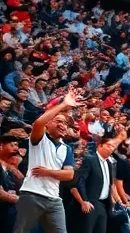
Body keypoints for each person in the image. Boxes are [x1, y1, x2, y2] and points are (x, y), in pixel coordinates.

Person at [14, 90, 79, 233]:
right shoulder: (39, 139)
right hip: (31, 194)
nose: (63, 125)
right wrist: (64, 104)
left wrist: (47, 172)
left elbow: (69, 175)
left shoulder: (66, 148)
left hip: (54, 199)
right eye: (59, 121)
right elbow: (38, 122)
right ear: (48, 125)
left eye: (65, 123)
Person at [67, 129, 122, 233]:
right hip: (91, 202)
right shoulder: (90, 159)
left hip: (104, 204)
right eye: (108, 145)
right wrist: (85, 200)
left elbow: (109, 185)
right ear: (100, 145)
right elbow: (80, 181)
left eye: (113, 147)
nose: (111, 149)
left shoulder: (109, 164)